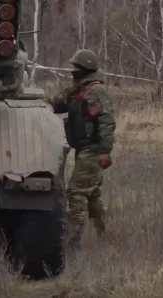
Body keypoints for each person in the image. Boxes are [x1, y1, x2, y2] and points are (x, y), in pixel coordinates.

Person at [48, 49, 116, 251]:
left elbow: (106, 122)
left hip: (92, 150)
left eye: (77, 67)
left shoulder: (95, 92)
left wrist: (104, 151)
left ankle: (73, 243)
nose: (73, 71)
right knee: (92, 195)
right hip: (84, 149)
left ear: (85, 68)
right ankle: (103, 237)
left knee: (76, 193)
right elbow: (57, 104)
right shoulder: (79, 90)